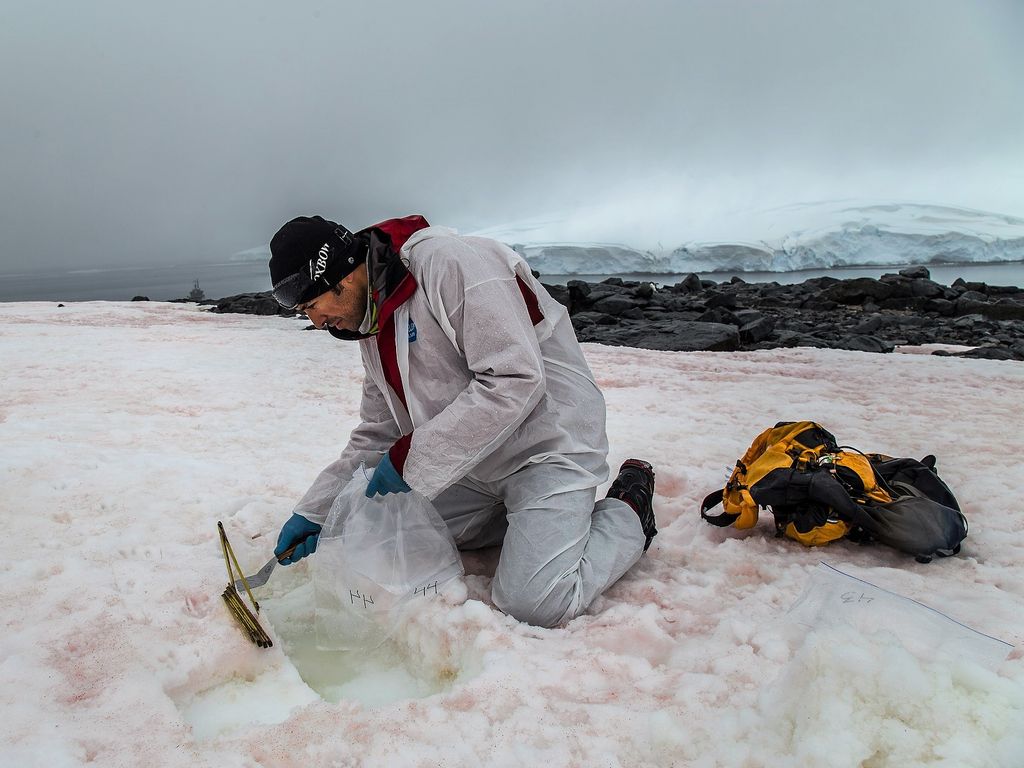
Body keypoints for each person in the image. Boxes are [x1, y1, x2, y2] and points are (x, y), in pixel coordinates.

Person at [268, 214, 657, 628]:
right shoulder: (373, 321)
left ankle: (629, 508)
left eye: (311, 306)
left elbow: (515, 378)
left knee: (534, 603)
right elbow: (377, 433)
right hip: (472, 461)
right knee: (386, 537)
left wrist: (412, 460)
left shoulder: (449, 264)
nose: (314, 321)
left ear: (341, 278)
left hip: (546, 447)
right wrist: (316, 511)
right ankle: (526, 525)